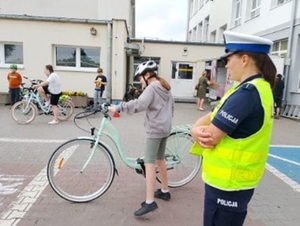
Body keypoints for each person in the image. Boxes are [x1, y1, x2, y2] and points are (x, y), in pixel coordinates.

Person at [191, 31, 276, 226]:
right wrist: (196, 128)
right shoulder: (252, 88)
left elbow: (210, 136)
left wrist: (195, 130)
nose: (227, 65)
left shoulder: (247, 94)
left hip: (229, 184)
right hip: (233, 182)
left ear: (244, 59)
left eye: (229, 59)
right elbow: (213, 117)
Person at [108, 60, 174, 217]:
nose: (139, 80)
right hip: (165, 128)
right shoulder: (165, 87)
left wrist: (118, 107)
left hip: (155, 130)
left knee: (149, 163)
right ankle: (165, 191)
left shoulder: (152, 87)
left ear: (147, 75)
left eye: (140, 77)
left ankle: (150, 202)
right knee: (160, 160)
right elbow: (172, 108)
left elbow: (139, 104)